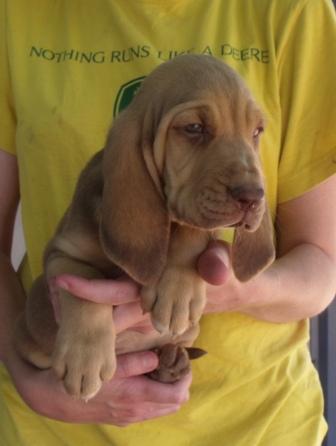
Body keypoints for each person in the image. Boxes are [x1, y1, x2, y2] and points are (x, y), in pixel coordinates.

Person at [1, 0, 336, 445]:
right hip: (51, 430)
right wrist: (26, 376)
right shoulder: (16, 13)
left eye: (255, 132)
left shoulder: (294, 10)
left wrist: (229, 286)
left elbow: (321, 265)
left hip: (259, 428)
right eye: (194, 130)